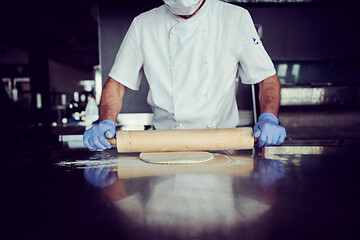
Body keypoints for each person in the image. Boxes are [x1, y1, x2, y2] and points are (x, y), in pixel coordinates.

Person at [83, 0, 286, 150]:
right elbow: (117, 84)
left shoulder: (235, 18)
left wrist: (268, 117)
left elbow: (267, 78)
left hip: (222, 145)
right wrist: (105, 121)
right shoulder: (143, 24)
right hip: (164, 147)